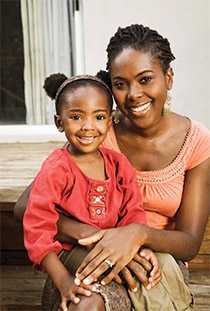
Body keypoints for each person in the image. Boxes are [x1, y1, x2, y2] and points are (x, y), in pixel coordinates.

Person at [15, 24, 210, 310]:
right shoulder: (96, 131)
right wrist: (92, 236)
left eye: (145, 79)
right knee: (87, 304)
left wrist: (136, 236)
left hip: (156, 257)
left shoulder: (196, 141)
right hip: (86, 252)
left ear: (168, 78)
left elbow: (190, 243)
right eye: (120, 84)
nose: (133, 94)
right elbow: (26, 207)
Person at [23, 73, 160, 311]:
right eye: (76, 117)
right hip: (70, 256)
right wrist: (63, 280)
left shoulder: (119, 165)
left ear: (109, 122)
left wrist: (141, 247)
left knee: (147, 271)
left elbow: (133, 214)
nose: (88, 127)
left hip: (113, 248)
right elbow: (38, 227)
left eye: (98, 117)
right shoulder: (57, 168)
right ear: (59, 122)